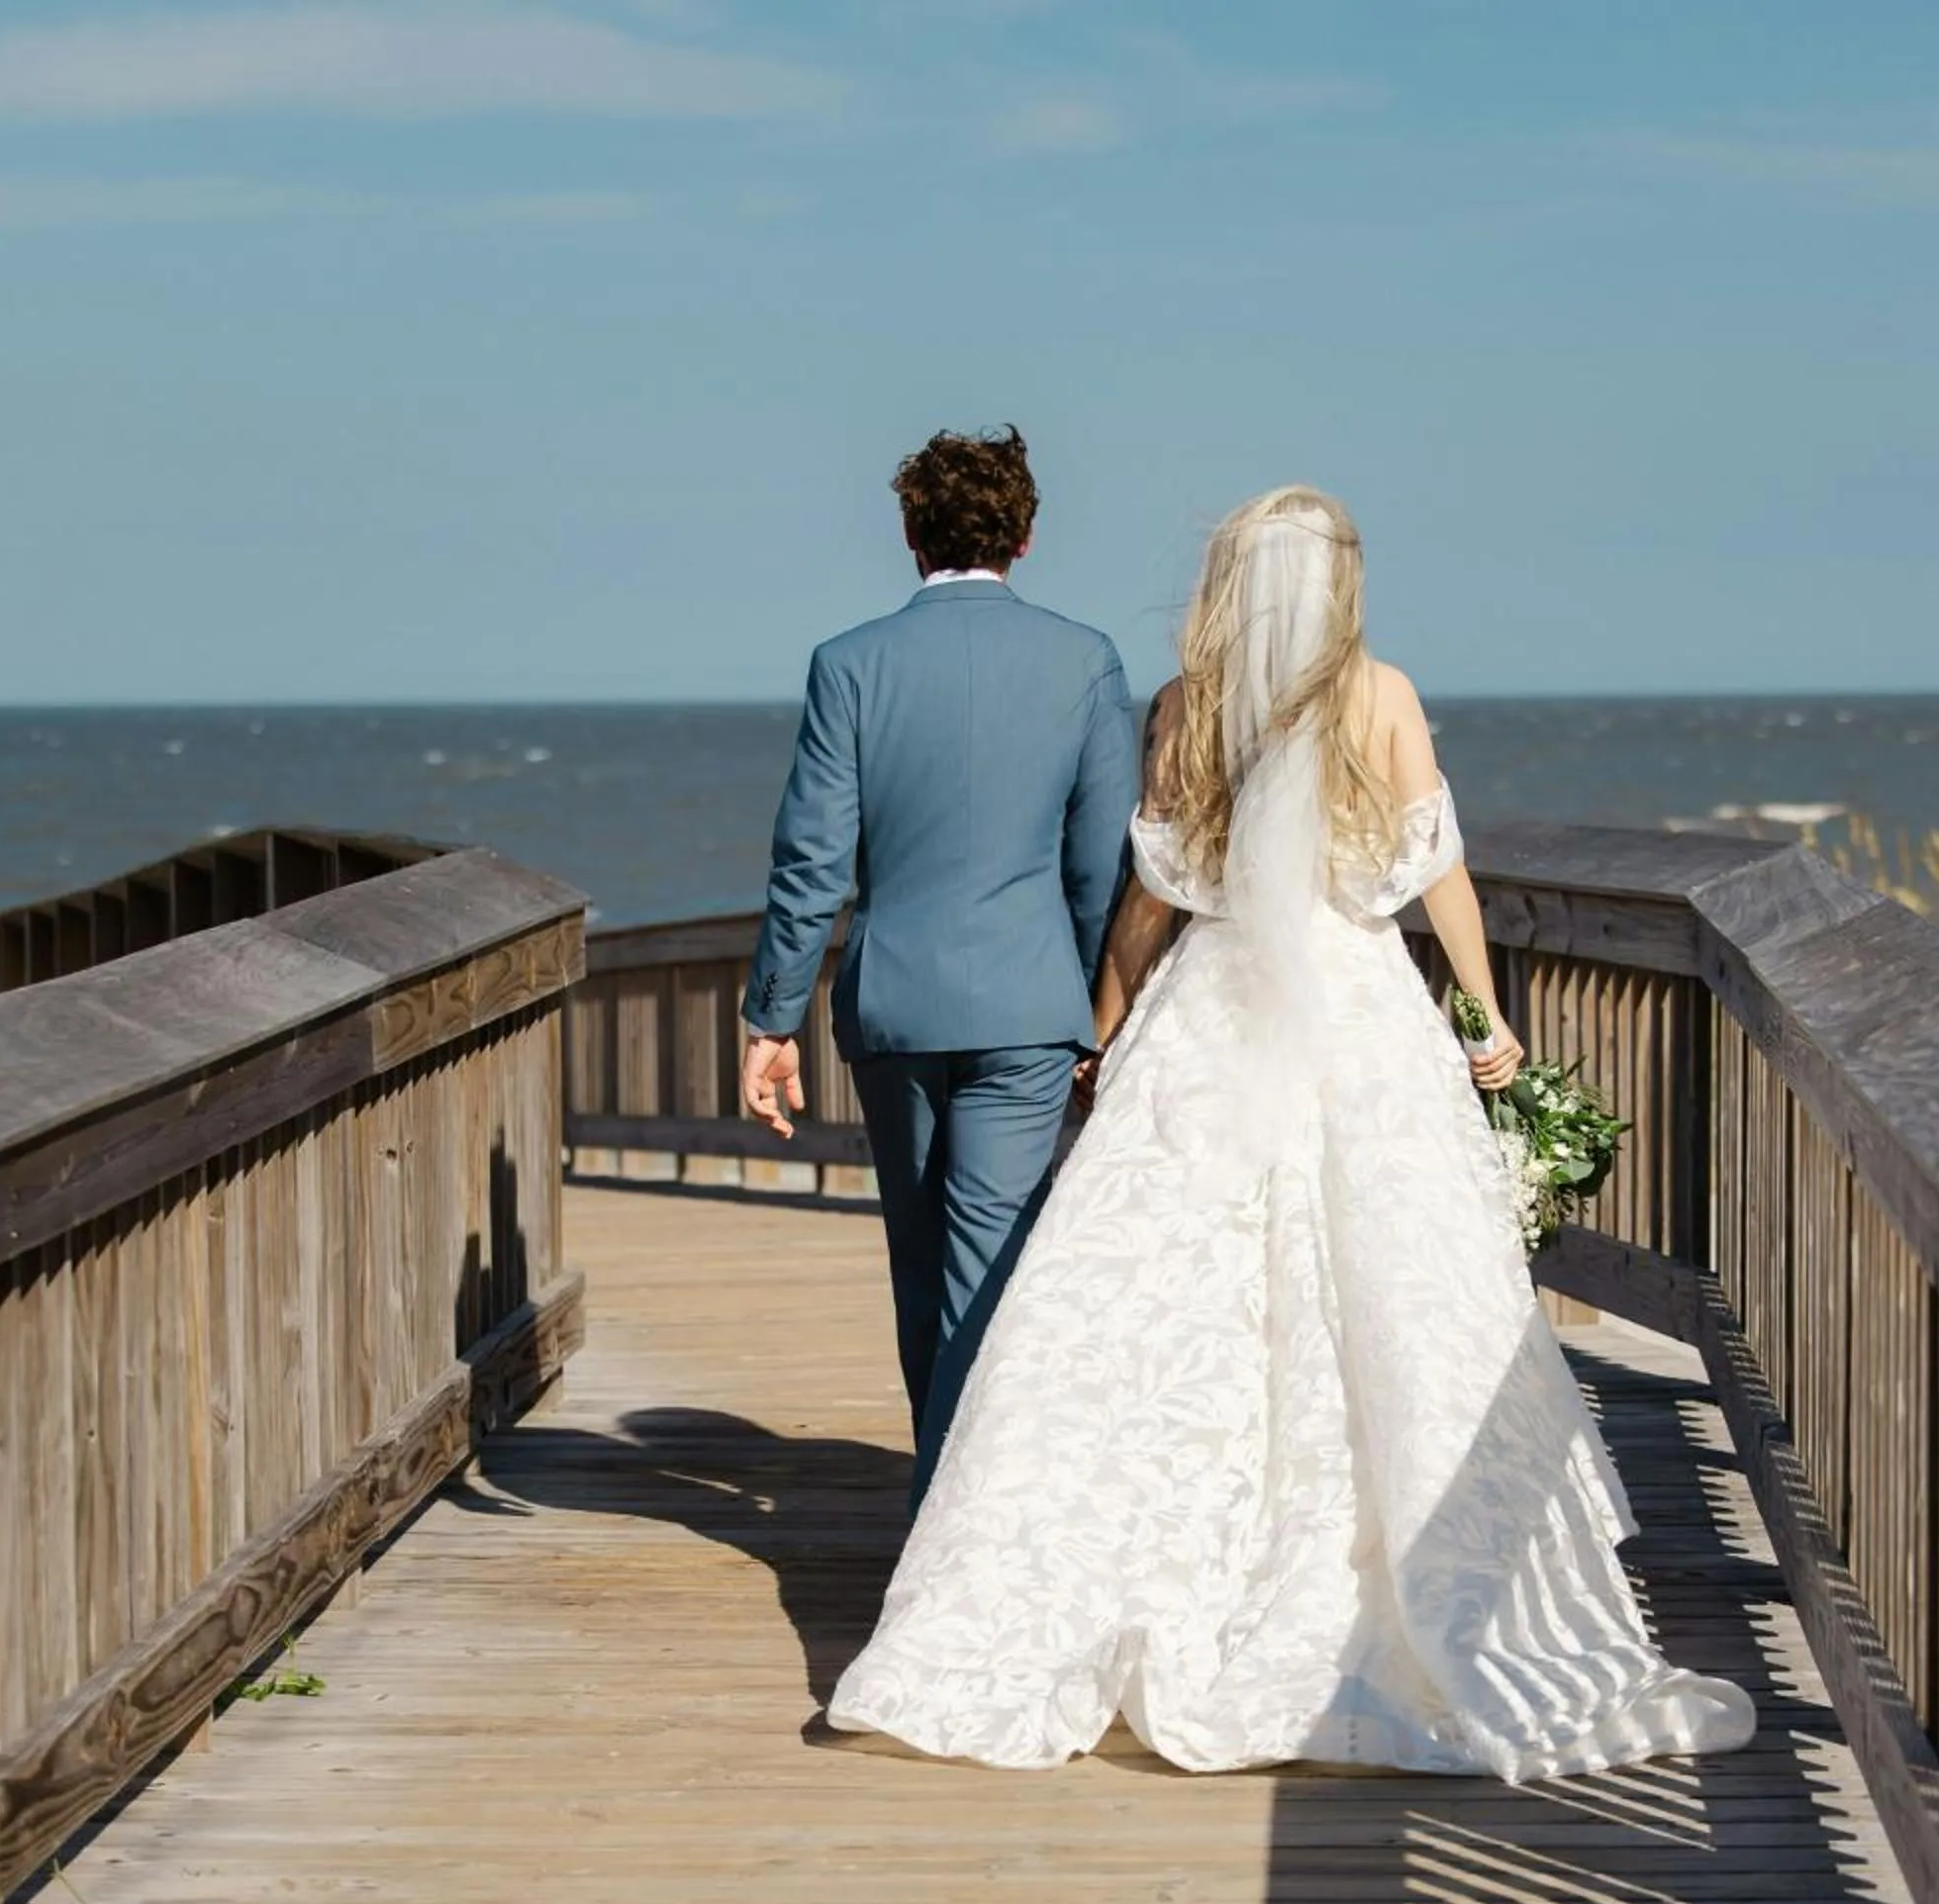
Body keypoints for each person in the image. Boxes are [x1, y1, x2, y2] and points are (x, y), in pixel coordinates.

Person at [822, 486, 1757, 1779]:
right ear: (1343, 586)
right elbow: (1440, 875)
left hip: (1210, 1015)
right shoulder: (1384, 695)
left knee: (1165, 1300)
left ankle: (1107, 1592)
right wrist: (1486, 1021)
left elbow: (1152, 905)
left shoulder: (1186, 705)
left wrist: (1104, 1028)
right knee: (1385, 1290)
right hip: (1359, 1003)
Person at [738, 427, 1137, 1509]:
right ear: (1027, 533)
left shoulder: (850, 664)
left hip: (897, 1007)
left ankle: (943, 1510)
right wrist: (1107, 1010)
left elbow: (809, 861)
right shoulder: (1085, 660)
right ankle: (966, 1521)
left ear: (911, 534)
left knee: (921, 1268)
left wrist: (770, 1019)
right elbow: (1104, 866)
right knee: (993, 1266)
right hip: (1028, 1009)